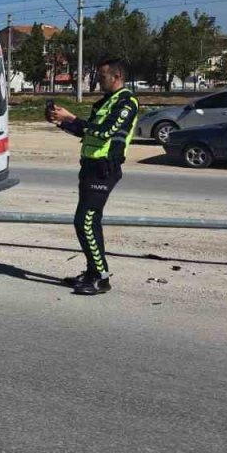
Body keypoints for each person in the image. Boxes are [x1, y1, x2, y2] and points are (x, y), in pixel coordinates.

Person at [47, 58, 140, 296]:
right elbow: (87, 131)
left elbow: (106, 132)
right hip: (90, 166)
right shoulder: (104, 102)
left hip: (105, 168)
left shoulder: (127, 102)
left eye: (102, 77)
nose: (98, 81)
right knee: (90, 222)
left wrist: (72, 118)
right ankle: (93, 272)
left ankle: (101, 276)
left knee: (84, 221)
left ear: (116, 77)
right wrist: (62, 122)